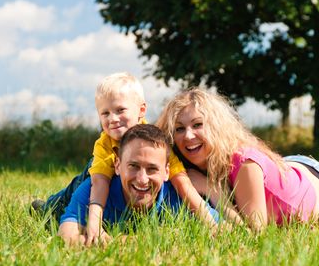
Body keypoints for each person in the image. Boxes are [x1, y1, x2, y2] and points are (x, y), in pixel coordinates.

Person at [33, 73, 217, 245]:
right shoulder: (103, 145)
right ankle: (45, 208)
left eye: (120, 110)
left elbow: (182, 182)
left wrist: (211, 223)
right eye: (105, 113)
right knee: (60, 206)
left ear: (141, 110)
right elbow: (97, 184)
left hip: (121, 182)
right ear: (118, 164)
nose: (113, 119)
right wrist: (95, 224)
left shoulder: (155, 144)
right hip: (92, 179)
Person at [156, 87, 319, 232]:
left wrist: (211, 190)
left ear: (216, 127)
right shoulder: (194, 164)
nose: (188, 136)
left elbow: (255, 234)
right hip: (290, 170)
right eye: (179, 128)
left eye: (197, 124)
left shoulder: (244, 164)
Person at [58, 124, 219, 246]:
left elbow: (221, 228)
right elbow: (66, 236)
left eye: (152, 169)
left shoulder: (178, 199)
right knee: (54, 207)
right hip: (65, 198)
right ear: (118, 165)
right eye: (133, 166)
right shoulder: (93, 190)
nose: (142, 179)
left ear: (166, 171)